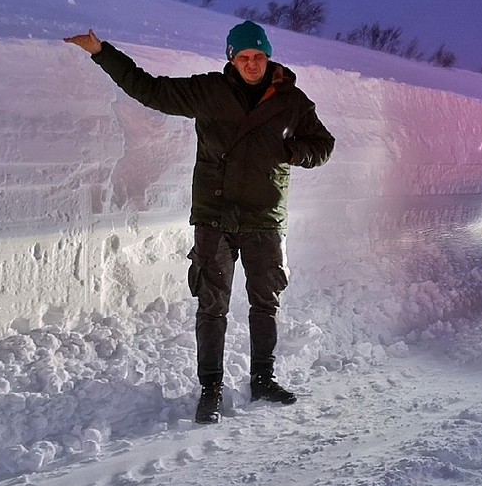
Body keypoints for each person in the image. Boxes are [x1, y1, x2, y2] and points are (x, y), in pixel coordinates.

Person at [65, 21, 335, 424]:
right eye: (243, 57)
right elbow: (150, 90)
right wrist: (103, 53)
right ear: (231, 58)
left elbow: (324, 144)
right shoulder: (210, 91)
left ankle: (263, 378)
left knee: (266, 303)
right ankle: (210, 388)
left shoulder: (290, 100)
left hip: (265, 217)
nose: (252, 64)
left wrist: (294, 152)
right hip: (216, 215)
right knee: (212, 306)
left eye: (258, 56)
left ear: (268, 57)